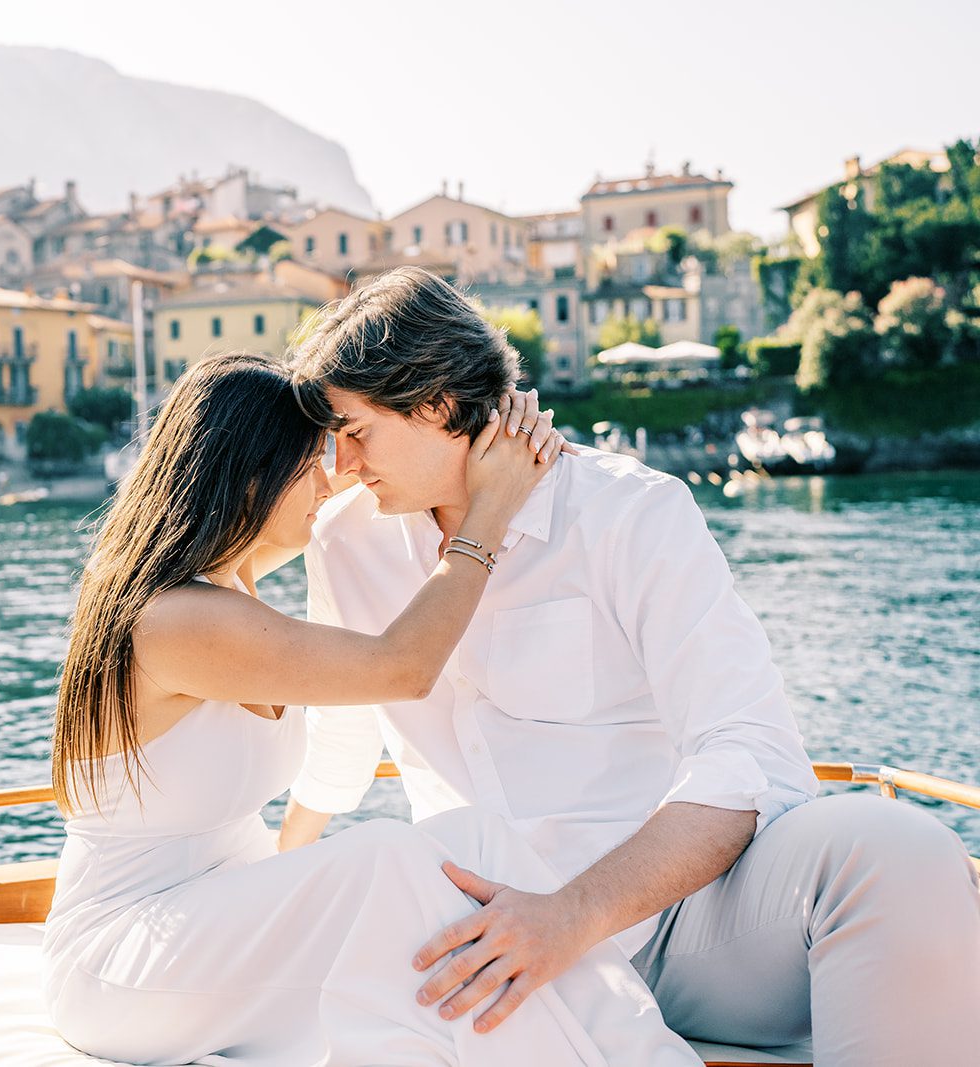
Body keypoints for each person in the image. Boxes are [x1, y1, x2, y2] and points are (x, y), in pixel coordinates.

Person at [278, 266, 980, 1063]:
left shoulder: (629, 513)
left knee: (896, 849)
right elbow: (338, 737)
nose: (340, 459)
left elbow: (747, 751)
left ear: (437, 404)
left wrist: (571, 914)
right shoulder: (346, 541)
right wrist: (268, 888)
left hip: (678, 929)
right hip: (474, 949)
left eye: (356, 428)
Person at [43, 352, 699, 1066]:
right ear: (249, 470)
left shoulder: (237, 592)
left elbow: (328, 745)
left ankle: (644, 1053)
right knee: (388, 856)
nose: (337, 476)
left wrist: (468, 439)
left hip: (218, 929)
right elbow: (403, 667)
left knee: (472, 843)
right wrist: (491, 507)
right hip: (126, 958)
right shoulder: (172, 618)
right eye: (313, 459)